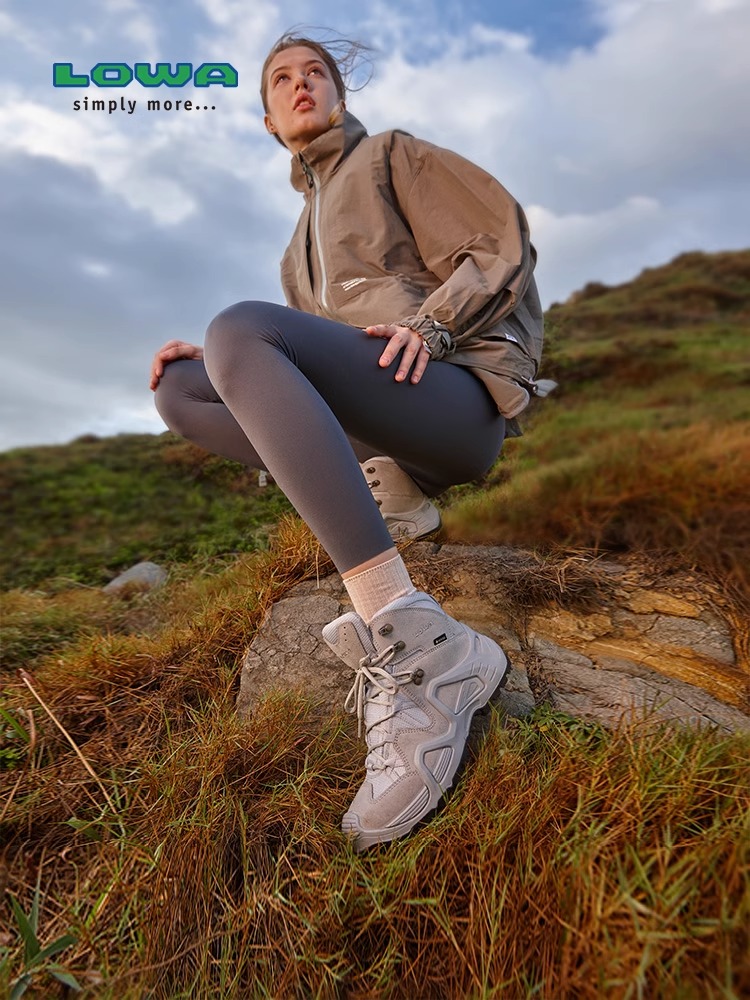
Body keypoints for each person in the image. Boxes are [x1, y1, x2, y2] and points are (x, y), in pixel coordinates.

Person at [150, 32, 546, 852]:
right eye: (283, 80)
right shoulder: (296, 245)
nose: (302, 87)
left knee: (239, 328)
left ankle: (422, 646)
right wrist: (221, 362)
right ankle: (381, 487)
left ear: (338, 93)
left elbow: (501, 240)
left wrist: (431, 328)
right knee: (180, 387)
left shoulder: (392, 156)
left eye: (316, 74)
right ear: (266, 119)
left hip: (454, 392)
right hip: (385, 412)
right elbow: (303, 357)